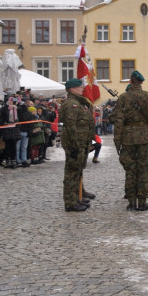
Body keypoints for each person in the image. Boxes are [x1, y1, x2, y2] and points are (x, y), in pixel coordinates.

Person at [109, 71, 148, 211]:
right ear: (141, 82)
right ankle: (142, 202)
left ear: (130, 81)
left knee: (130, 170)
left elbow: (116, 119)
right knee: (143, 170)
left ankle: (131, 201)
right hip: (143, 137)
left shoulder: (123, 98)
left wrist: (118, 140)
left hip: (127, 138)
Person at [61, 78, 96, 212]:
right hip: (74, 143)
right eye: (79, 87)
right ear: (71, 89)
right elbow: (71, 126)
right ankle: (70, 202)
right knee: (72, 172)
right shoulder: (72, 104)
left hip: (81, 142)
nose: (82, 88)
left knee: (77, 171)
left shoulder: (78, 102)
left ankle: (76, 197)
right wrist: (74, 145)